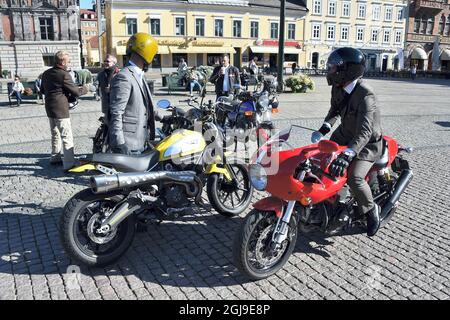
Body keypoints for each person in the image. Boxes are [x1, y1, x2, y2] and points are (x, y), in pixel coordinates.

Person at [310, 47, 383, 237]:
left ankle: (371, 209)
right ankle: (328, 203)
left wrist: (348, 154)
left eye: (333, 67)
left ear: (348, 70)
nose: (330, 71)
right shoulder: (338, 87)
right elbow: (334, 111)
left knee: (354, 177)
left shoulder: (366, 94)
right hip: (343, 135)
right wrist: (324, 129)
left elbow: (365, 132)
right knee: (319, 163)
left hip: (367, 144)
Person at [108, 32, 157, 155]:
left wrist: (164, 118)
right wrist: (119, 143)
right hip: (129, 144)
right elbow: (116, 113)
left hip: (141, 140)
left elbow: (143, 107)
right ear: (148, 54)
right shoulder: (124, 77)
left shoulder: (139, 75)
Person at [41, 51, 89, 170]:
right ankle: (69, 163)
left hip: (49, 108)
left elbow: (42, 90)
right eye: (68, 61)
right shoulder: (63, 74)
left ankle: (55, 158)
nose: (69, 63)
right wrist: (86, 88)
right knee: (66, 136)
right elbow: (76, 92)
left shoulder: (46, 73)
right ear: (62, 62)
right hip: (60, 109)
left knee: (55, 134)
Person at [95, 54, 120, 123]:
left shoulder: (119, 74)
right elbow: (95, 85)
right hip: (106, 105)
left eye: (107, 61)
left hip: (117, 105)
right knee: (106, 126)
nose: (105, 63)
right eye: (104, 61)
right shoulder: (101, 74)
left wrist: (111, 89)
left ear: (114, 63)